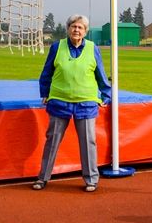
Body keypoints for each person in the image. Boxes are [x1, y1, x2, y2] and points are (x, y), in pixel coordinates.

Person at [33, 14, 110, 192]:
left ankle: (91, 179)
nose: (76, 30)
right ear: (68, 29)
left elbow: (100, 73)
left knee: (88, 141)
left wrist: (106, 94)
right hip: (60, 100)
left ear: (86, 31)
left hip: (86, 101)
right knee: (52, 140)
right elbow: (47, 72)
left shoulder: (92, 48)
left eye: (80, 27)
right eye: (73, 26)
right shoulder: (56, 47)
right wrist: (44, 92)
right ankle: (43, 177)